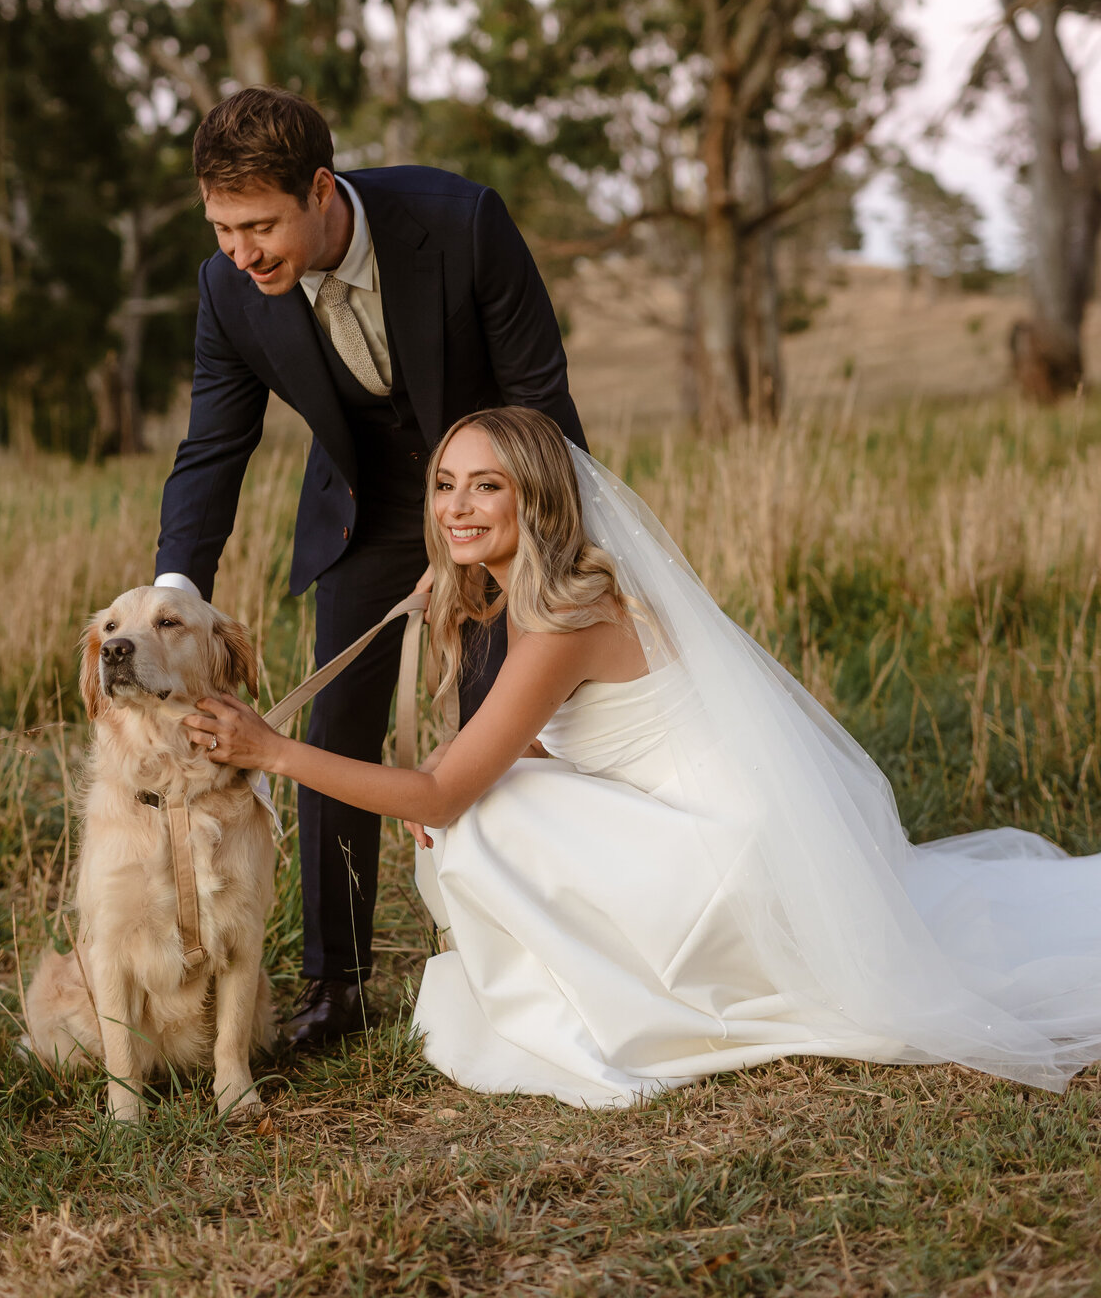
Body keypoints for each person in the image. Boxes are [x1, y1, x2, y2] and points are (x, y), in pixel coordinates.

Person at [188, 405, 1101, 1108]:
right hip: (725, 836)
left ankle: (612, 1004)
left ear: (535, 497)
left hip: (735, 865)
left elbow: (441, 790)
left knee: (485, 814)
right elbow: (518, 751)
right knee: (492, 804)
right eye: (444, 485)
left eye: (486, 487)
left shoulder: (564, 616)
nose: (457, 507)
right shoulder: (553, 590)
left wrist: (270, 749)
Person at [155, 89, 585, 1054]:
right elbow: (212, 450)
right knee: (332, 729)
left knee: (503, 722)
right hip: (365, 509)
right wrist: (175, 591)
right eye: (222, 228)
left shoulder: (461, 223)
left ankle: (528, 949)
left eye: (261, 225)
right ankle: (337, 985)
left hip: (494, 492)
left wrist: (501, 541)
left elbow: (542, 403)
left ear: (319, 190)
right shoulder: (227, 289)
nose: (242, 251)